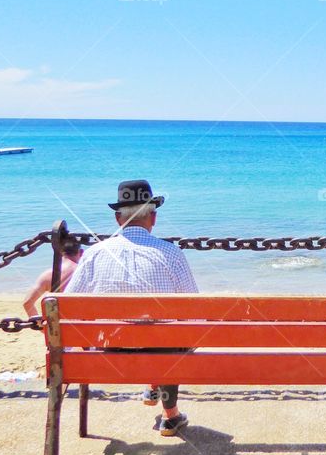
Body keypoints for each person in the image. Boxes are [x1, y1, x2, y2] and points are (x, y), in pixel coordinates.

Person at [64, 179, 198, 436]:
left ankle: (153, 387)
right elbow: (196, 312)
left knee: (158, 334)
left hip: (108, 353)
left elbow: (68, 307)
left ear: (118, 218)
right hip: (163, 350)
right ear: (153, 218)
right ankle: (170, 417)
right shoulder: (170, 253)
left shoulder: (94, 254)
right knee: (174, 336)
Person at [22, 240, 83, 316]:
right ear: (81, 252)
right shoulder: (86, 272)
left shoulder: (48, 274)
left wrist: (40, 325)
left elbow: (27, 303)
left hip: (58, 326)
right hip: (88, 324)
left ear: (60, 252)